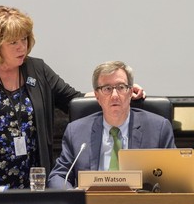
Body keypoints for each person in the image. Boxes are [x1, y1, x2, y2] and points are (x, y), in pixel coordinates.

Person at [0, 6, 145, 189]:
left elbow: (73, 100)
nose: (22, 47)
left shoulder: (37, 70)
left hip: (33, 182)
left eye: (24, 39)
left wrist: (118, 90)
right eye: (13, 42)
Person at [48, 60, 176, 189]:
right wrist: (73, 198)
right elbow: (58, 176)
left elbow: (174, 176)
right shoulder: (76, 131)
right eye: (107, 89)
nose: (115, 95)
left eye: (121, 87)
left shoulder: (158, 128)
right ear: (97, 96)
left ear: (130, 92)